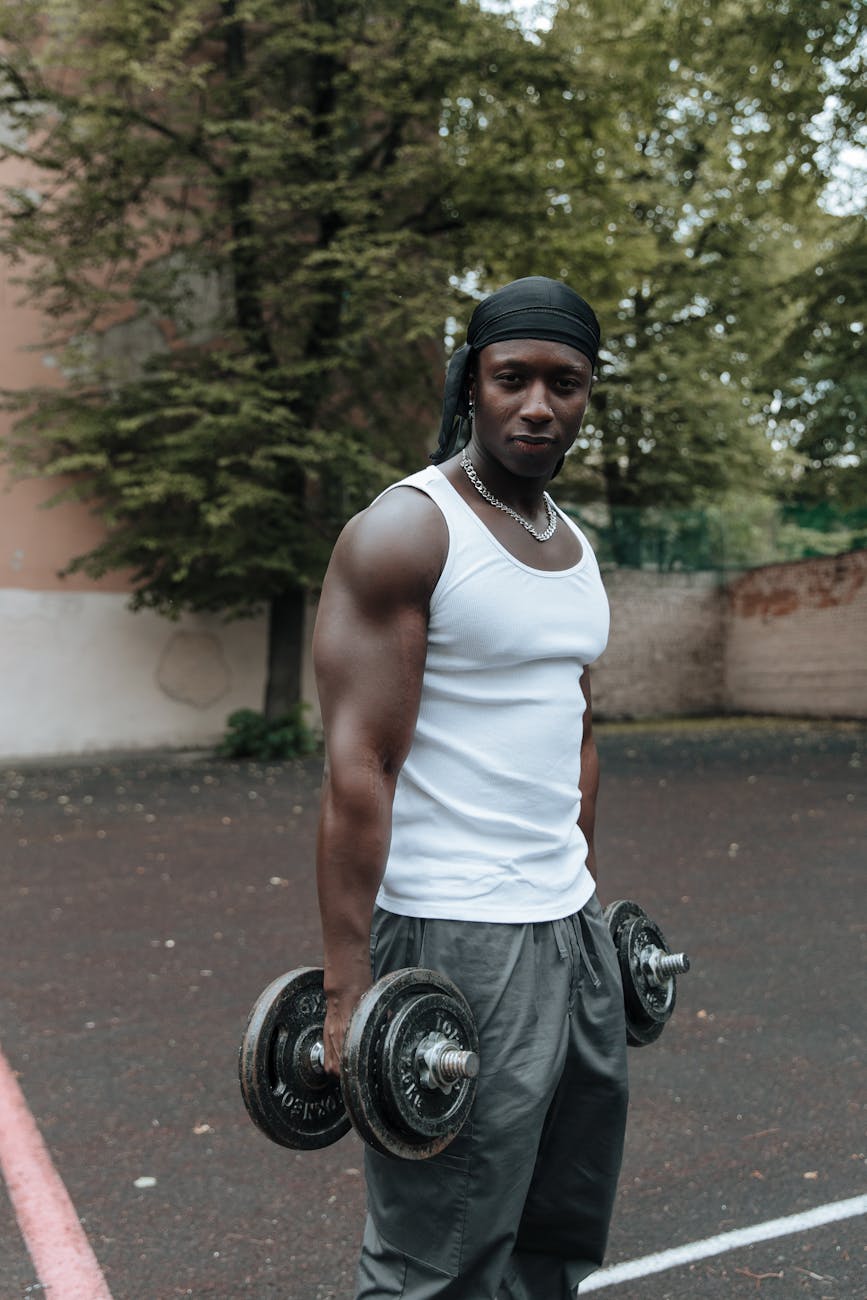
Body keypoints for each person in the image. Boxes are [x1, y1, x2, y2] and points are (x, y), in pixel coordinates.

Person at [313, 276, 628, 1299]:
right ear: (472, 384)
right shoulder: (409, 530)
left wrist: (580, 901)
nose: (540, 405)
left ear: (587, 394)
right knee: (436, 1254)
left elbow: (577, 731)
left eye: (566, 383)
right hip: (455, 935)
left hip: (568, 931)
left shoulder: (573, 548)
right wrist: (346, 988)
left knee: (556, 1228)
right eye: (513, 378)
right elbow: (360, 767)